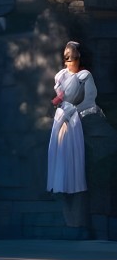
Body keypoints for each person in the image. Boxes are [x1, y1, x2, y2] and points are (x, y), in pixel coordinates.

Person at [48, 41, 100, 196]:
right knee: (59, 149)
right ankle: (58, 184)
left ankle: (72, 185)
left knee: (70, 151)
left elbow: (86, 99)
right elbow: (60, 96)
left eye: (72, 57)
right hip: (61, 115)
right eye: (66, 57)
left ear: (79, 58)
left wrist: (71, 111)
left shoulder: (84, 76)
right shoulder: (61, 75)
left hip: (73, 116)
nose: (68, 61)